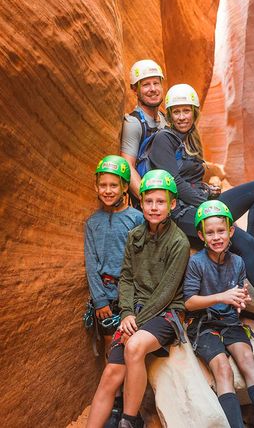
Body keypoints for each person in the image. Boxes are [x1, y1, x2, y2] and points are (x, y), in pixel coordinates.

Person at [148, 83, 254, 335]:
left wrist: (207, 191)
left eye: (186, 111)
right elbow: (175, 182)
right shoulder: (164, 139)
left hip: (200, 203)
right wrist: (207, 205)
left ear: (194, 113)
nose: (182, 116)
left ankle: (250, 256)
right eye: (177, 112)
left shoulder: (190, 139)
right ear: (169, 115)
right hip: (181, 213)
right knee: (241, 239)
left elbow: (191, 178)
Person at [86, 170, 190, 428]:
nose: (154, 207)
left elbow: (166, 292)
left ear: (172, 204)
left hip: (165, 313)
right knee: (110, 373)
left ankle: (129, 421)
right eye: (149, 201)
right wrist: (126, 313)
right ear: (140, 202)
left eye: (161, 202)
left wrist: (132, 322)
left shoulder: (179, 242)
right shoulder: (135, 237)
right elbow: (127, 278)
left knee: (133, 346)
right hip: (136, 313)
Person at [184, 200, 254, 428]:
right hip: (204, 324)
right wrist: (223, 296)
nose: (216, 237)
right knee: (223, 368)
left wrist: (240, 300)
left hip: (230, 321)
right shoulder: (196, 263)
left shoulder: (238, 262)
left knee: (248, 360)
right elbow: (189, 302)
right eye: (210, 233)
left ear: (231, 232)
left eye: (221, 231)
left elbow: (237, 293)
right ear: (201, 236)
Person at [84, 155, 144, 426]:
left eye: (114, 185)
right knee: (111, 347)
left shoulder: (137, 219)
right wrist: (99, 299)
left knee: (130, 348)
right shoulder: (92, 223)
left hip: (131, 295)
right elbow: (90, 262)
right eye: (103, 185)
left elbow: (141, 261)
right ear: (97, 187)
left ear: (123, 188)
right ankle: (116, 404)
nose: (108, 190)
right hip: (106, 294)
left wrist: (131, 298)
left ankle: (132, 406)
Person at [120, 59, 167, 199]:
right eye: (146, 85)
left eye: (156, 83)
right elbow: (128, 166)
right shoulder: (134, 123)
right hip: (150, 199)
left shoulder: (165, 119)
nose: (153, 89)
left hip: (168, 192)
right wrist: (148, 200)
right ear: (135, 89)